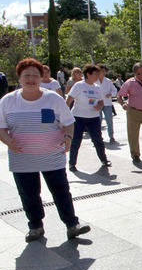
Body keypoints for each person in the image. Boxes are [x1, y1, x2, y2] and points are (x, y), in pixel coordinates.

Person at [0, 58, 90, 242]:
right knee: (29, 193)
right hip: (22, 159)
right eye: (27, 75)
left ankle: (72, 225)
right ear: (19, 77)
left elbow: (68, 123)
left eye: (35, 75)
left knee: (61, 190)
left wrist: (67, 138)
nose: (31, 79)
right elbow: (1, 128)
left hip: (52, 157)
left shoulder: (53, 98)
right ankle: (35, 226)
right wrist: (9, 142)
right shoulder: (8, 101)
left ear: (42, 78)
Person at [65, 64, 111, 171]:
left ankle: (104, 160)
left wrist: (99, 106)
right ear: (88, 74)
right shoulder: (79, 85)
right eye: (95, 74)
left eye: (98, 74)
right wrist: (65, 113)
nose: (97, 76)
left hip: (93, 118)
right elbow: (69, 99)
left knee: (98, 140)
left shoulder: (97, 88)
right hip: (78, 117)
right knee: (76, 141)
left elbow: (101, 101)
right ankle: (72, 163)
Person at [96, 64, 118, 143]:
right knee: (98, 121)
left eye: (104, 71)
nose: (103, 72)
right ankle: (98, 136)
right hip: (97, 104)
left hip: (107, 103)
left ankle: (111, 136)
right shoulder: (94, 80)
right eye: (101, 71)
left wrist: (111, 94)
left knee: (109, 120)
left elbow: (114, 90)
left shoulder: (108, 81)